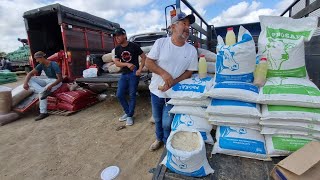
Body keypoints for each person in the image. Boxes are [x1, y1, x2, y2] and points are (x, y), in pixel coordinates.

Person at [146, 12, 198, 151]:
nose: (187, 27)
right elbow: (148, 62)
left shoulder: (191, 50)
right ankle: (159, 139)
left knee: (167, 123)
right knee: (157, 120)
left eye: (189, 25)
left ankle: (168, 143)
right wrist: (163, 73)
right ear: (172, 27)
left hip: (175, 94)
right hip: (156, 91)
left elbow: (189, 71)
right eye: (183, 23)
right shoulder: (161, 43)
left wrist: (173, 82)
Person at [113, 28, 146, 126]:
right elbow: (116, 63)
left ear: (124, 35)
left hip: (133, 74)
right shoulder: (117, 49)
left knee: (132, 95)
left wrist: (140, 69)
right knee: (119, 94)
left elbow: (144, 57)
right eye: (116, 36)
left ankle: (130, 116)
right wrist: (127, 64)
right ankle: (128, 113)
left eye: (119, 35)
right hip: (124, 74)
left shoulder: (134, 46)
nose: (117, 38)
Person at [23, 51, 62, 121]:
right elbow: (29, 74)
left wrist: (51, 86)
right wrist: (25, 83)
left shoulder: (54, 64)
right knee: (30, 79)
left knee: (41, 93)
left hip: (56, 81)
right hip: (48, 80)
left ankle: (43, 112)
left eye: (37, 59)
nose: (37, 61)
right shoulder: (41, 65)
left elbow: (60, 79)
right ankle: (43, 90)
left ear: (42, 57)